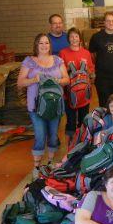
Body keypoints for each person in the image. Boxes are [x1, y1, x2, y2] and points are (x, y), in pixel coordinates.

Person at [17, 33, 69, 179]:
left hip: (55, 105)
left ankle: (50, 163)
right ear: (36, 45)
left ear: (50, 45)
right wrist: (35, 79)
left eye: (46, 43)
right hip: (36, 106)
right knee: (40, 136)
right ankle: (37, 167)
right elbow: (20, 82)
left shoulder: (58, 60)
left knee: (53, 136)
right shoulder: (29, 61)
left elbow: (67, 79)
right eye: (41, 43)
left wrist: (57, 80)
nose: (44, 46)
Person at [59, 27, 95, 145]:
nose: (74, 39)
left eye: (76, 36)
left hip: (84, 92)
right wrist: (68, 68)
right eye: (71, 36)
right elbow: (59, 72)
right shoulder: (63, 53)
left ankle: (82, 143)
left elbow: (91, 70)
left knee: (83, 119)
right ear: (68, 39)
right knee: (70, 120)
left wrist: (90, 73)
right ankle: (70, 146)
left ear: (80, 38)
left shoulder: (86, 52)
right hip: (69, 94)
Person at [89, 11, 113, 107]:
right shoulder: (96, 37)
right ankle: (105, 121)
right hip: (102, 78)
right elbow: (92, 55)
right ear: (104, 22)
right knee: (104, 103)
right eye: (108, 21)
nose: (111, 23)